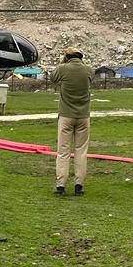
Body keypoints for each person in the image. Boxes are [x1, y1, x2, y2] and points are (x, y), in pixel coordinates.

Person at [47, 46, 94, 196]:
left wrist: (62, 63)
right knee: (81, 151)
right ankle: (79, 184)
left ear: (67, 57)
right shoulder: (88, 70)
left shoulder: (62, 68)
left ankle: (61, 184)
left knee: (63, 152)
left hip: (66, 115)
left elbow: (53, 78)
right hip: (83, 116)